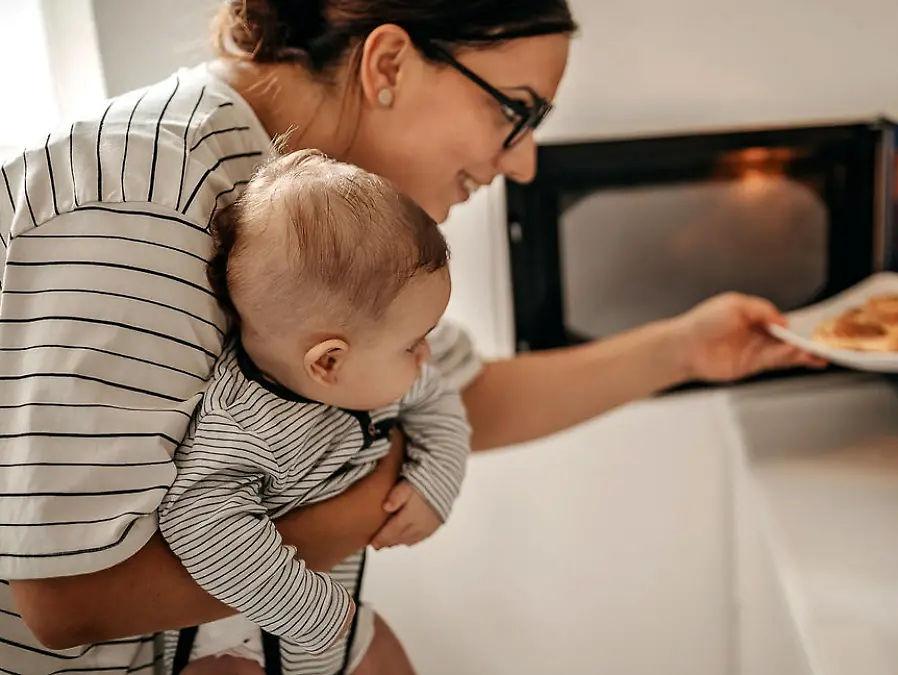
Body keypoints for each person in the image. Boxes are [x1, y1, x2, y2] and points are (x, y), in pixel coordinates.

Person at [0, 1, 823, 673]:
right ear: (387, 62)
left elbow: (453, 391)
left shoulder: (315, 200)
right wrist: (360, 511)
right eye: (516, 111)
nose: (525, 161)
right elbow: (68, 597)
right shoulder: (138, 202)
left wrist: (686, 346)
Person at [159, 149, 469, 674]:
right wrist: (311, 612)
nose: (426, 356)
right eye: (413, 343)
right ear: (329, 361)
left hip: (335, 625)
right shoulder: (243, 423)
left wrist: (435, 480)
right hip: (230, 633)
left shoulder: (376, 380)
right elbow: (198, 520)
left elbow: (440, 404)